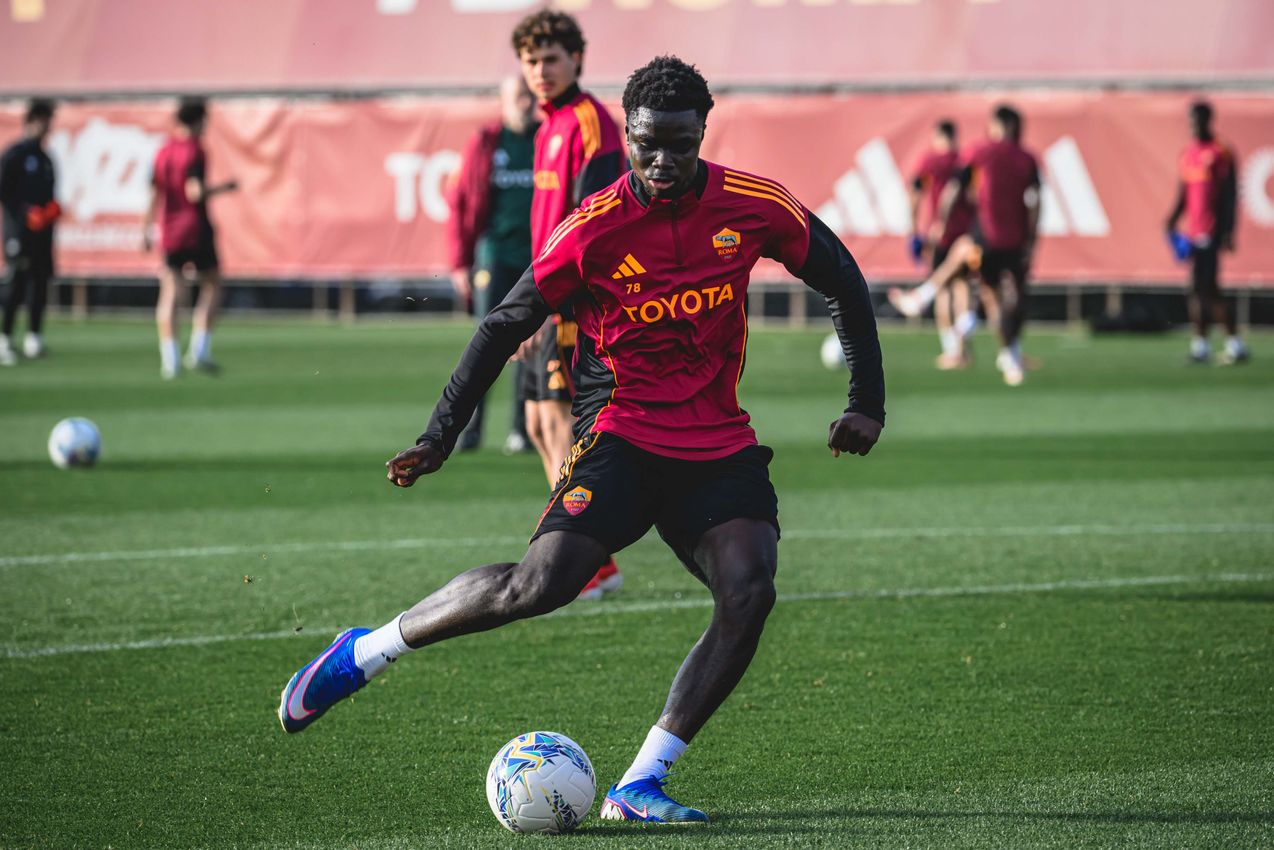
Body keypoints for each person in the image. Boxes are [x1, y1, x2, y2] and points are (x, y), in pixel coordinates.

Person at [277, 55, 885, 824]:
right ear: (628, 134)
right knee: (540, 587)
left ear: (704, 133)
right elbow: (504, 324)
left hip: (717, 443)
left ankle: (640, 785)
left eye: (680, 144)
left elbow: (842, 278)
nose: (662, 162)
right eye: (646, 144)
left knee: (750, 591)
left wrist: (867, 401)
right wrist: (440, 436)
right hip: (621, 435)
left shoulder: (753, 205)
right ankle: (366, 652)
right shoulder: (593, 228)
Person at [513, 9, 625, 598]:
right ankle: (586, 556)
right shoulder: (547, 127)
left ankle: (589, 559)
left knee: (559, 422)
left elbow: (592, 225)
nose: (540, 71)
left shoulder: (591, 123)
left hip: (574, 304)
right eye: (531, 61)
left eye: (551, 59)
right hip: (547, 295)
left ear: (576, 59)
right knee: (536, 422)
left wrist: (551, 307)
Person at [889, 104, 1040, 386]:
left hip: (971, 236)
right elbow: (1035, 201)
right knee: (993, 296)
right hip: (1013, 242)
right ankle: (1007, 354)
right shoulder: (1025, 158)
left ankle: (932, 311)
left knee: (960, 279)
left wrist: (931, 225)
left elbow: (936, 191)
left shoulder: (957, 157)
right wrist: (1032, 240)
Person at [446, 75, 539, 454]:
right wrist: (459, 262)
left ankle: (521, 430)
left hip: (537, 258)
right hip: (495, 255)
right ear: (503, 101)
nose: (526, 101)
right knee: (485, 344)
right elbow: (461, 202)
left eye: (530, 95)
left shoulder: (547, 139)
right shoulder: (486, 143)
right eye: (518, 95)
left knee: (530, 345)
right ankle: (469, 431)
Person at [142, 98, 237, 380]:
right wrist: (225, 188)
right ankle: (199, 351)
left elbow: (153, 193)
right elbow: (194, 192)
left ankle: (169, 360)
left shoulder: (162, 152)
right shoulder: (194, 151)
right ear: (197, 121)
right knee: (212, 285)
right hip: (195, 229)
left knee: (170, 291)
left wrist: (145, 229)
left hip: (169, 232)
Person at [1165, 100, 1246, 365]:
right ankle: (1225, 343)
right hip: (1193, 231)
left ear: (1208, 121)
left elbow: (1230, 195)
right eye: (1190, 122)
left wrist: (1228, 231)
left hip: (1211, 231)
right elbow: (1184, 192)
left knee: (1200, 287)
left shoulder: (1220, 151)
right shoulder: (1188, 154)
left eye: (1197, 121)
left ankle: (1208, 345)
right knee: (1207, 289)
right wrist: (1172, 220)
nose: (1193, 126)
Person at [908, 119, 977, 369]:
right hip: (966, 234)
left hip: (942, 235)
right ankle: (963, 349)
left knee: (943, 290)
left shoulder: (930, 162)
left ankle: (951, 350)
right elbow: (974, 195)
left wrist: (915, 229)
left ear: (938, 136)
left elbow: (915, 195)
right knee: (963, 288)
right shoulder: (965, 161)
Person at [0, 99, 60, 366]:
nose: (48, 127)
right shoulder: (16, 155)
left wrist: (51, 211)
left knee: (39, 282)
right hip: (19, 232)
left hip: (42, 235)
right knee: (16, 282)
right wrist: (25, 213)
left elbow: (50, 197)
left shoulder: (46, 159)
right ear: (34, 120)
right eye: (45, 120)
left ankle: (34, 338)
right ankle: (5, 338)